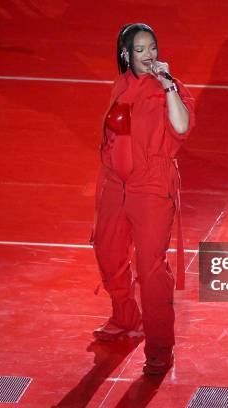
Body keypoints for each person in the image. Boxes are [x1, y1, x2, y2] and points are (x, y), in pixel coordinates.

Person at [89, 23, 195, 375]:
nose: (149, 55)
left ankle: (160, 347)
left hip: (151, 187)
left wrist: (168, 85)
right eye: (140, 50)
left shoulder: (170, 87)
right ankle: (125, 318)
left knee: (150, 270)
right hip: (114, 186)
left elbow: (181, 128)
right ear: (126, 55)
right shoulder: (121, 85)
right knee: (107, 252)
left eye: (152, 47)